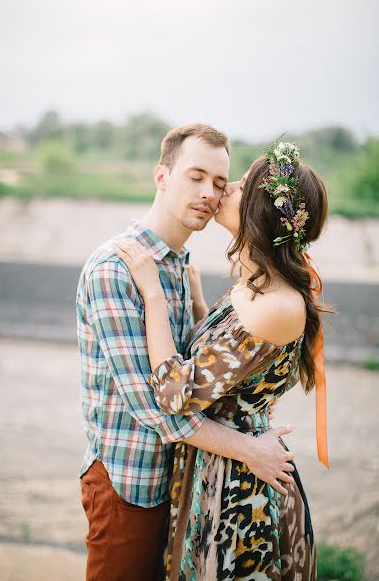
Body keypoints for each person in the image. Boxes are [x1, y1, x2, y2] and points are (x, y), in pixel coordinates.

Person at [76, 125, 297, 581]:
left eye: (219, 183)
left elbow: (189, 370)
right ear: (161, 176)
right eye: (195, 176)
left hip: (181, 482)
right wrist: (249, 450)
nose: (209, 193)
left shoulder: (178, 265)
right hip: (130, 481)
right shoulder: (115, 269)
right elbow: (153, 408)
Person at [115, 139, 330, 580]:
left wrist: (154, 296)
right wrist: (200, 307)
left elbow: (176, 394)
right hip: (218, 464)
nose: (223, 189)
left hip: (241, 490)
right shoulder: (256, 285)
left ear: (259, 213)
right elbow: (227, 370)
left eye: (238, 184)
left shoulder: (275, 304)